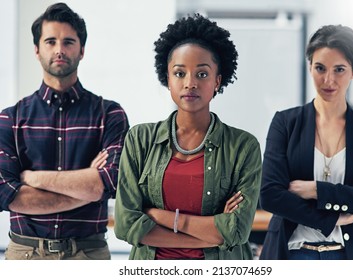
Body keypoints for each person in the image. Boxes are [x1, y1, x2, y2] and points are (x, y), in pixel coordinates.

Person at [114, 14, 262, 260]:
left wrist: (162, 217)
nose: (190, 83)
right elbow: (126, 224)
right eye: (180, 73)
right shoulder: (140, 139)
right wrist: (212, 231)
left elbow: (236, 231)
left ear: (217, 81)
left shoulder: (243, 146)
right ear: (168, 79)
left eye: (202, 74)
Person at [0, 3, 129, 260]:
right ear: (37, 50)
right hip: (26, 255)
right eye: (50, 41)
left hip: (88, 254)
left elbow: (110, 184)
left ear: (82, 50)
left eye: (68, 42)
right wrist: (87, 184)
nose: (59, 49)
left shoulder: (110, 115)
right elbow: (8, 195)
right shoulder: (10, 119)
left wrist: (32, 179)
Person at [259, 24, 353, 260]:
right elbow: (270, 194)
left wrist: (316, 190)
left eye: (339, 69)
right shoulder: (285, 123)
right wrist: (332, 218)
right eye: (320, 68)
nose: (328, 80)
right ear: (310, 67)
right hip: (293, 254)